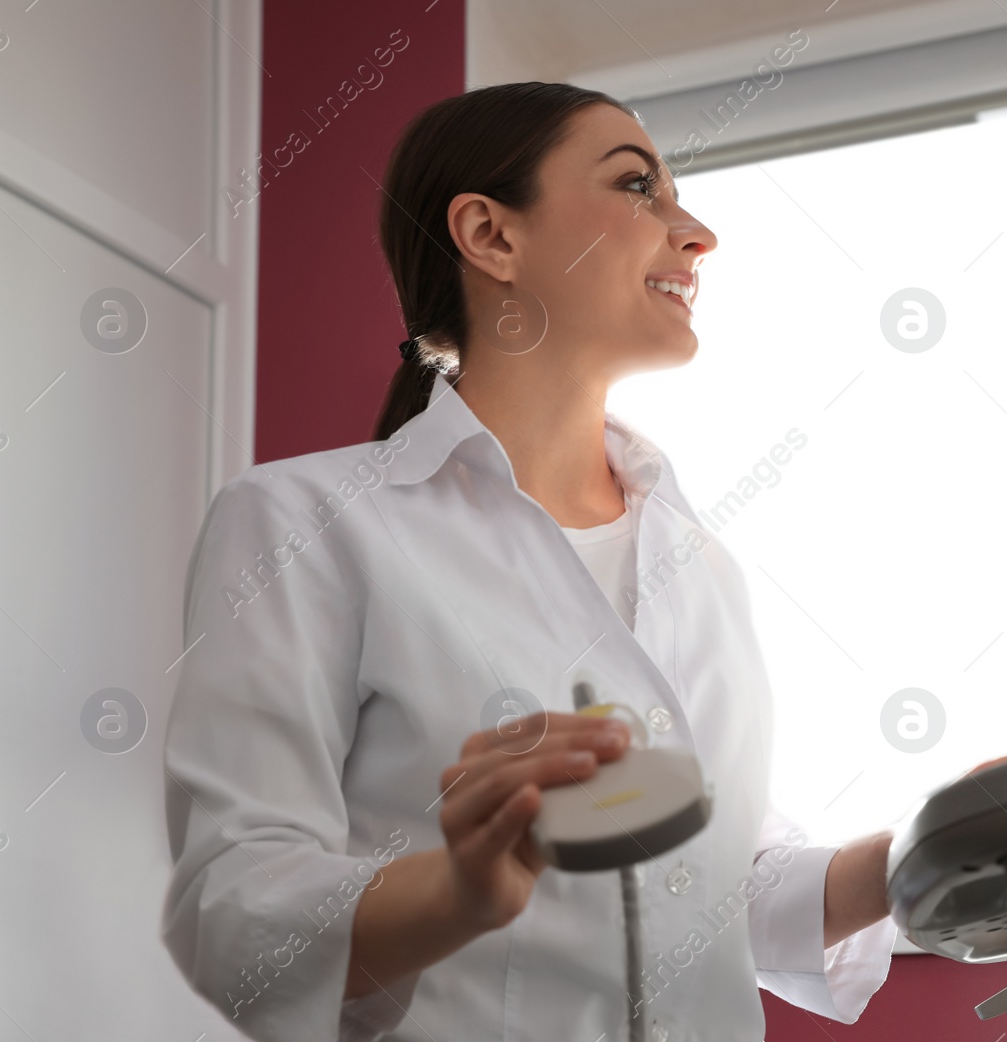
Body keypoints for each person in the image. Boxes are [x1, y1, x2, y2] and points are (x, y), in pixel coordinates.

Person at [160, 81, 899, 1042]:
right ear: (491, 236)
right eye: (640, 186)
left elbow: (717, 889)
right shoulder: (301, 522)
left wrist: (939, 851)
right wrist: (458, 891)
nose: (697, 233)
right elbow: (235, 915)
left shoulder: (699, 561)